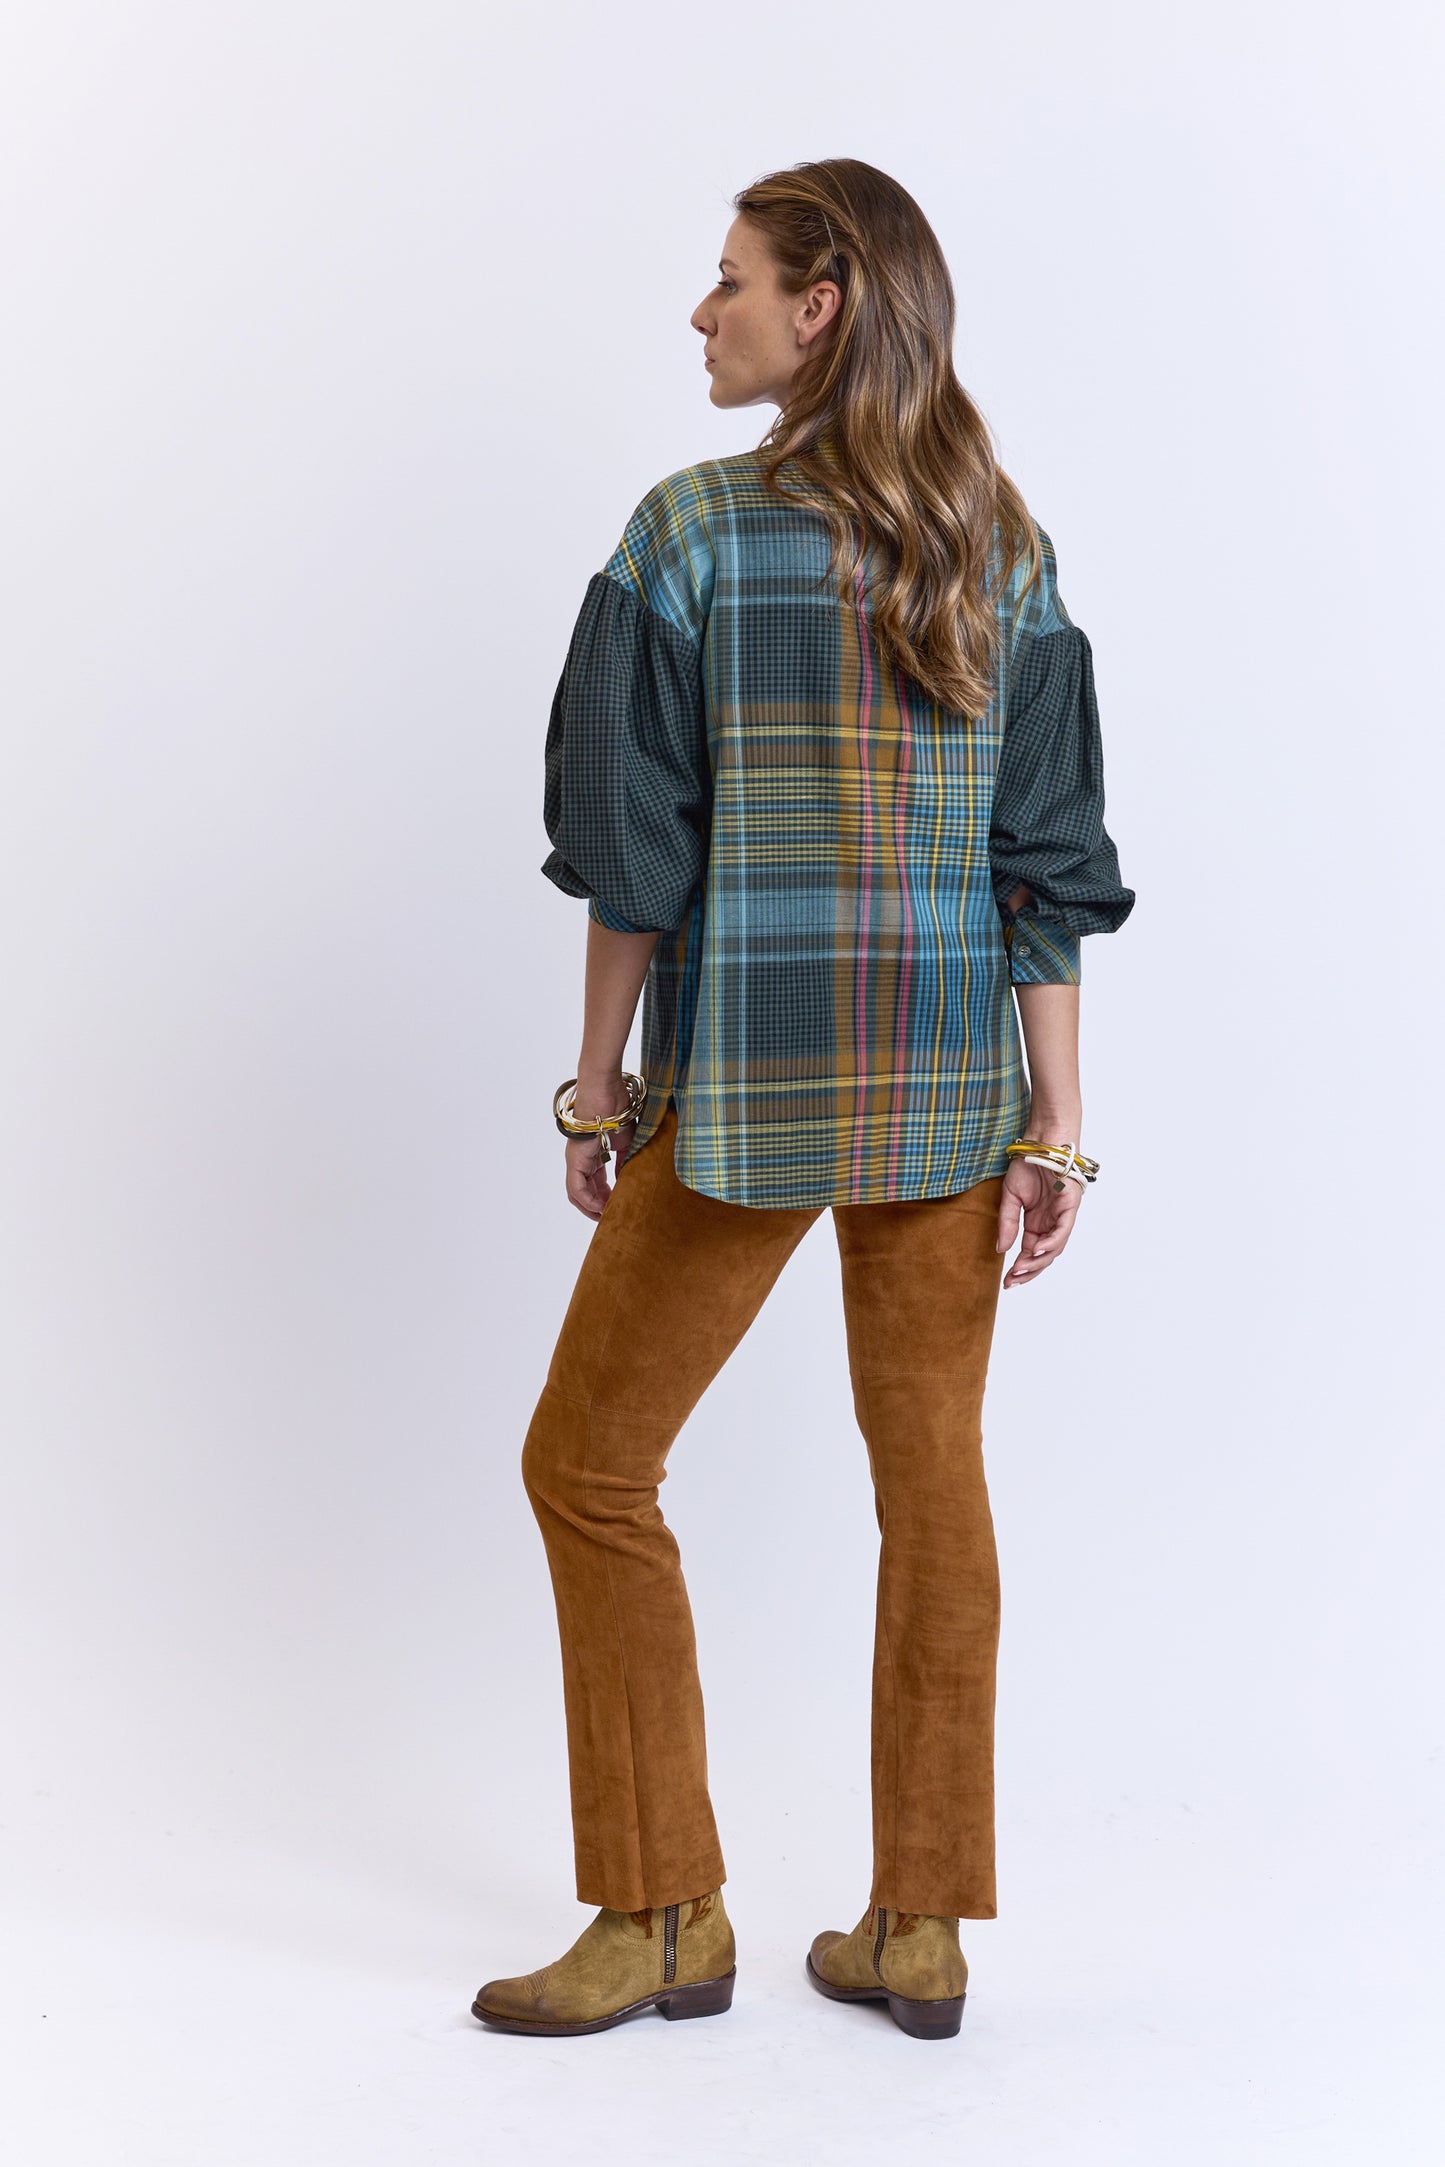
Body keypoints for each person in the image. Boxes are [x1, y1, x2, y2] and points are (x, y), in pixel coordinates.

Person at [471, 157, 1134, 2042]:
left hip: (745, 1100)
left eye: (732, 279)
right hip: (947, 1104)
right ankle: (916, 1927)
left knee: (588, 1470)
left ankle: (661, 1914)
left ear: (821, 301)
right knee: (932, 1495)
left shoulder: (685, 536)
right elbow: (1046, 862)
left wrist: (597, 1088)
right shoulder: (999, 547)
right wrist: (1051, 1121)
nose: (705, 313)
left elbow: (632, 851)